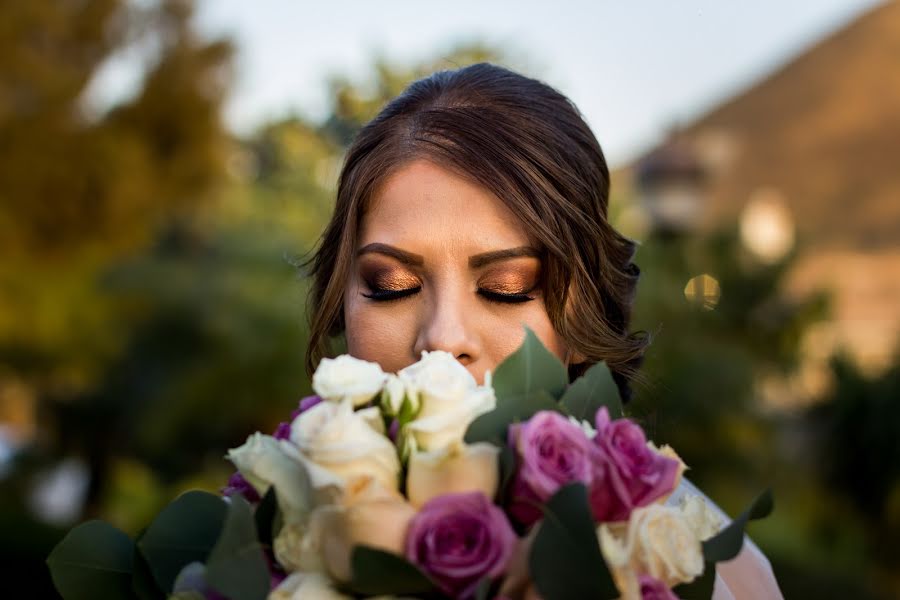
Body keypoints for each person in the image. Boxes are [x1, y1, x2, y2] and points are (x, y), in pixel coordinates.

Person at [303, 62, 782, 599]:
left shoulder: (695, 565)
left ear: (581, 316)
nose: (441, 338)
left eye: (506, 287)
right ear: (342, 300)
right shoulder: (271, 532)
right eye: (391, 284)